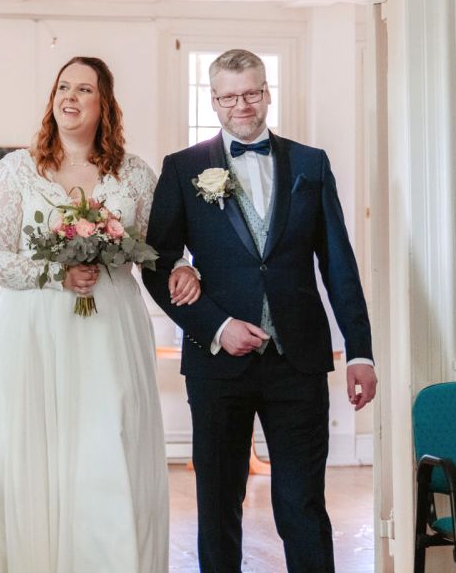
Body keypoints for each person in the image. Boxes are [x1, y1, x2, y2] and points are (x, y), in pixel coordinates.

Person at [0, 56, 201, 572]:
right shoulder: (18, 170)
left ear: (103, 103)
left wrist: (185, 269)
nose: (70, 96)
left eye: (84, 89)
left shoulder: (132, 174)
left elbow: (160, 247)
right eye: (63, 87)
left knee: (108, 439)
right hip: (31, 330)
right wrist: (54, 273)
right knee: (32, 450)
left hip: (109, 326)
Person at [142, 48, 377, 573]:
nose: (241, 105)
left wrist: (360, 350)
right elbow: (156, 263)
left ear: (267, 93)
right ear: (214, 100)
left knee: (301, 505)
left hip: (299, 361)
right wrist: (217, 327)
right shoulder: (184, 168)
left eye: (251, 93)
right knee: (218, 504)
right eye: (229, 96)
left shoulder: (310, 164)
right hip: (217, 364)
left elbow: (339, 264)